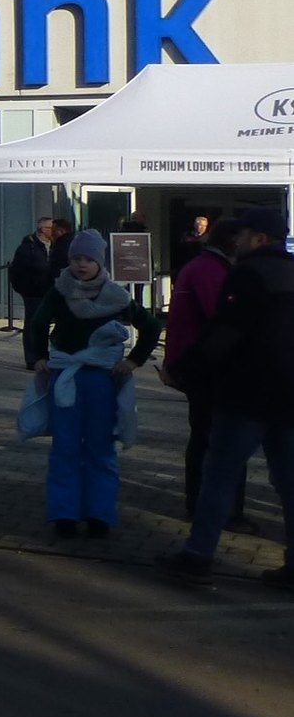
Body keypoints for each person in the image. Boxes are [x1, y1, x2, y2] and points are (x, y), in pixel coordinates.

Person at [160, 208, 294, 589]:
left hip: (247, 393)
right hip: (289, 394)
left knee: (219, 475)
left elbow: (224, 333)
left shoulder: (248, 274)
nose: (237, 239)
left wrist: (183, 369)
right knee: (289, 482)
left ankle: (198, 556)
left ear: (260, 238)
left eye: (245, 233)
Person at [24, 228, 160, 539]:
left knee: (100, 448)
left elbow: (151, 326)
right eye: (76, 259)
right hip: (66, 379)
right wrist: (41, 356)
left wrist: (134, 360)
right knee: (65, 448)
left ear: (100, 262)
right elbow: (38, 323)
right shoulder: (59, 290)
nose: (81, 265)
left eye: (88, 259)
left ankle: (99, 514)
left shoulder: (115, 294)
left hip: (101, 380)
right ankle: (64, 515)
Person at [162, 217, 251, 533]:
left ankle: (205, 504)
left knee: (206, 436)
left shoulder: (205, 267)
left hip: (198, 364)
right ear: (233, 241)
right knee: (213, 437)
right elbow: (223, 317)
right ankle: (211, 508)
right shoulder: (210, 270)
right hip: (206, 367)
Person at [7, 215, 55, 332]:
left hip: (48, 291)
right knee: (33, 323)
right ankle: (31, 349)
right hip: (33, 293)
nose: (54, 231)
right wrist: (26, 289)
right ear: (43, 229)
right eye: (52, 228)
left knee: (44, 322)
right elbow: (18, 271)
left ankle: (40, 348)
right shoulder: (28, 247)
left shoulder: (54, 246)